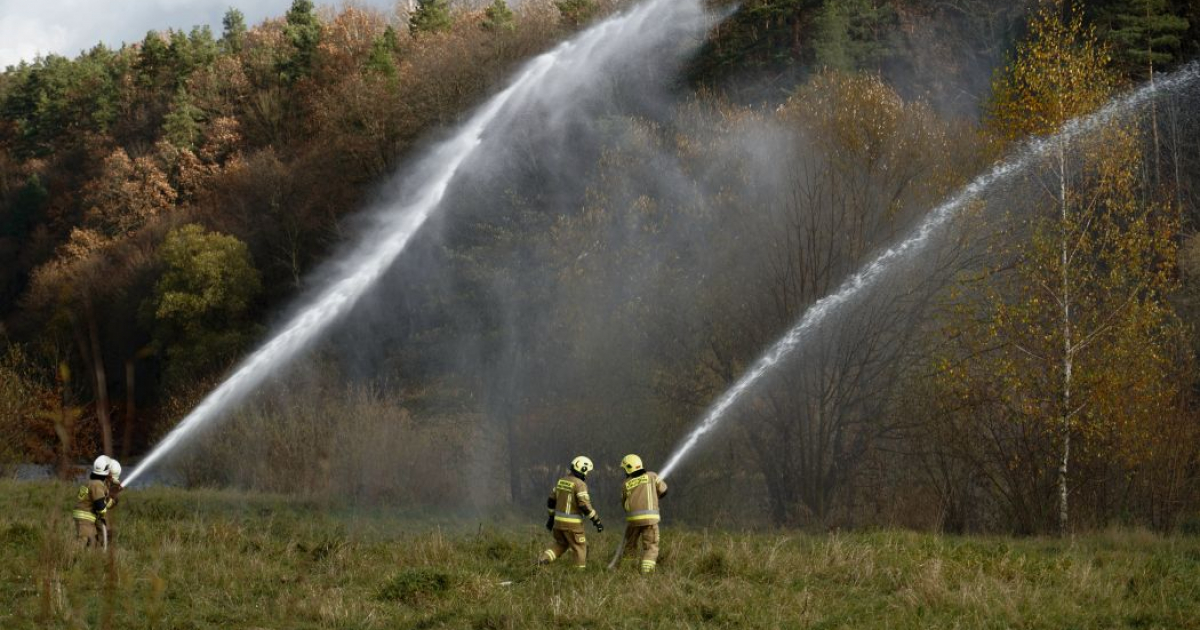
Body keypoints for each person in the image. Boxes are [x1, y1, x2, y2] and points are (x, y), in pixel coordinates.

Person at [538, 455, 603, 569]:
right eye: (587, 471)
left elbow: (551, 501)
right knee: (580, 547)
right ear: (582, 469)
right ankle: (578, 573)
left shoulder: (561, 481)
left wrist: (551, 518)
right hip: (573, 525)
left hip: (558, 523)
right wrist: (596, 521)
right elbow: (584, 505)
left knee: (561, 544)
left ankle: (543, 560)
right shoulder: (580, 484)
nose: (587, 474)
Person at [619, 454, 667, 574]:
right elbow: (664, 490)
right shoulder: (652, 476)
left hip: (633, 521)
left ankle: (626, 570)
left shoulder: (625, 484)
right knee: (651, 546)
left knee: (630, 545)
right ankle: (647, 573)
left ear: (629, 468)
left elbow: (624, 503)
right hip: (650, 520)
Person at [72, 455, 117, 549]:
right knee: (84, 540)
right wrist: (112, 500)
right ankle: (71, 555)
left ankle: (90, 556)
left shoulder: (91, 482)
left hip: (84, 514)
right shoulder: (97, 484)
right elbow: (101, 508)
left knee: (92, 540)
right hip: (85, 516)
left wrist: (112, 500)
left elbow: (99, 501)